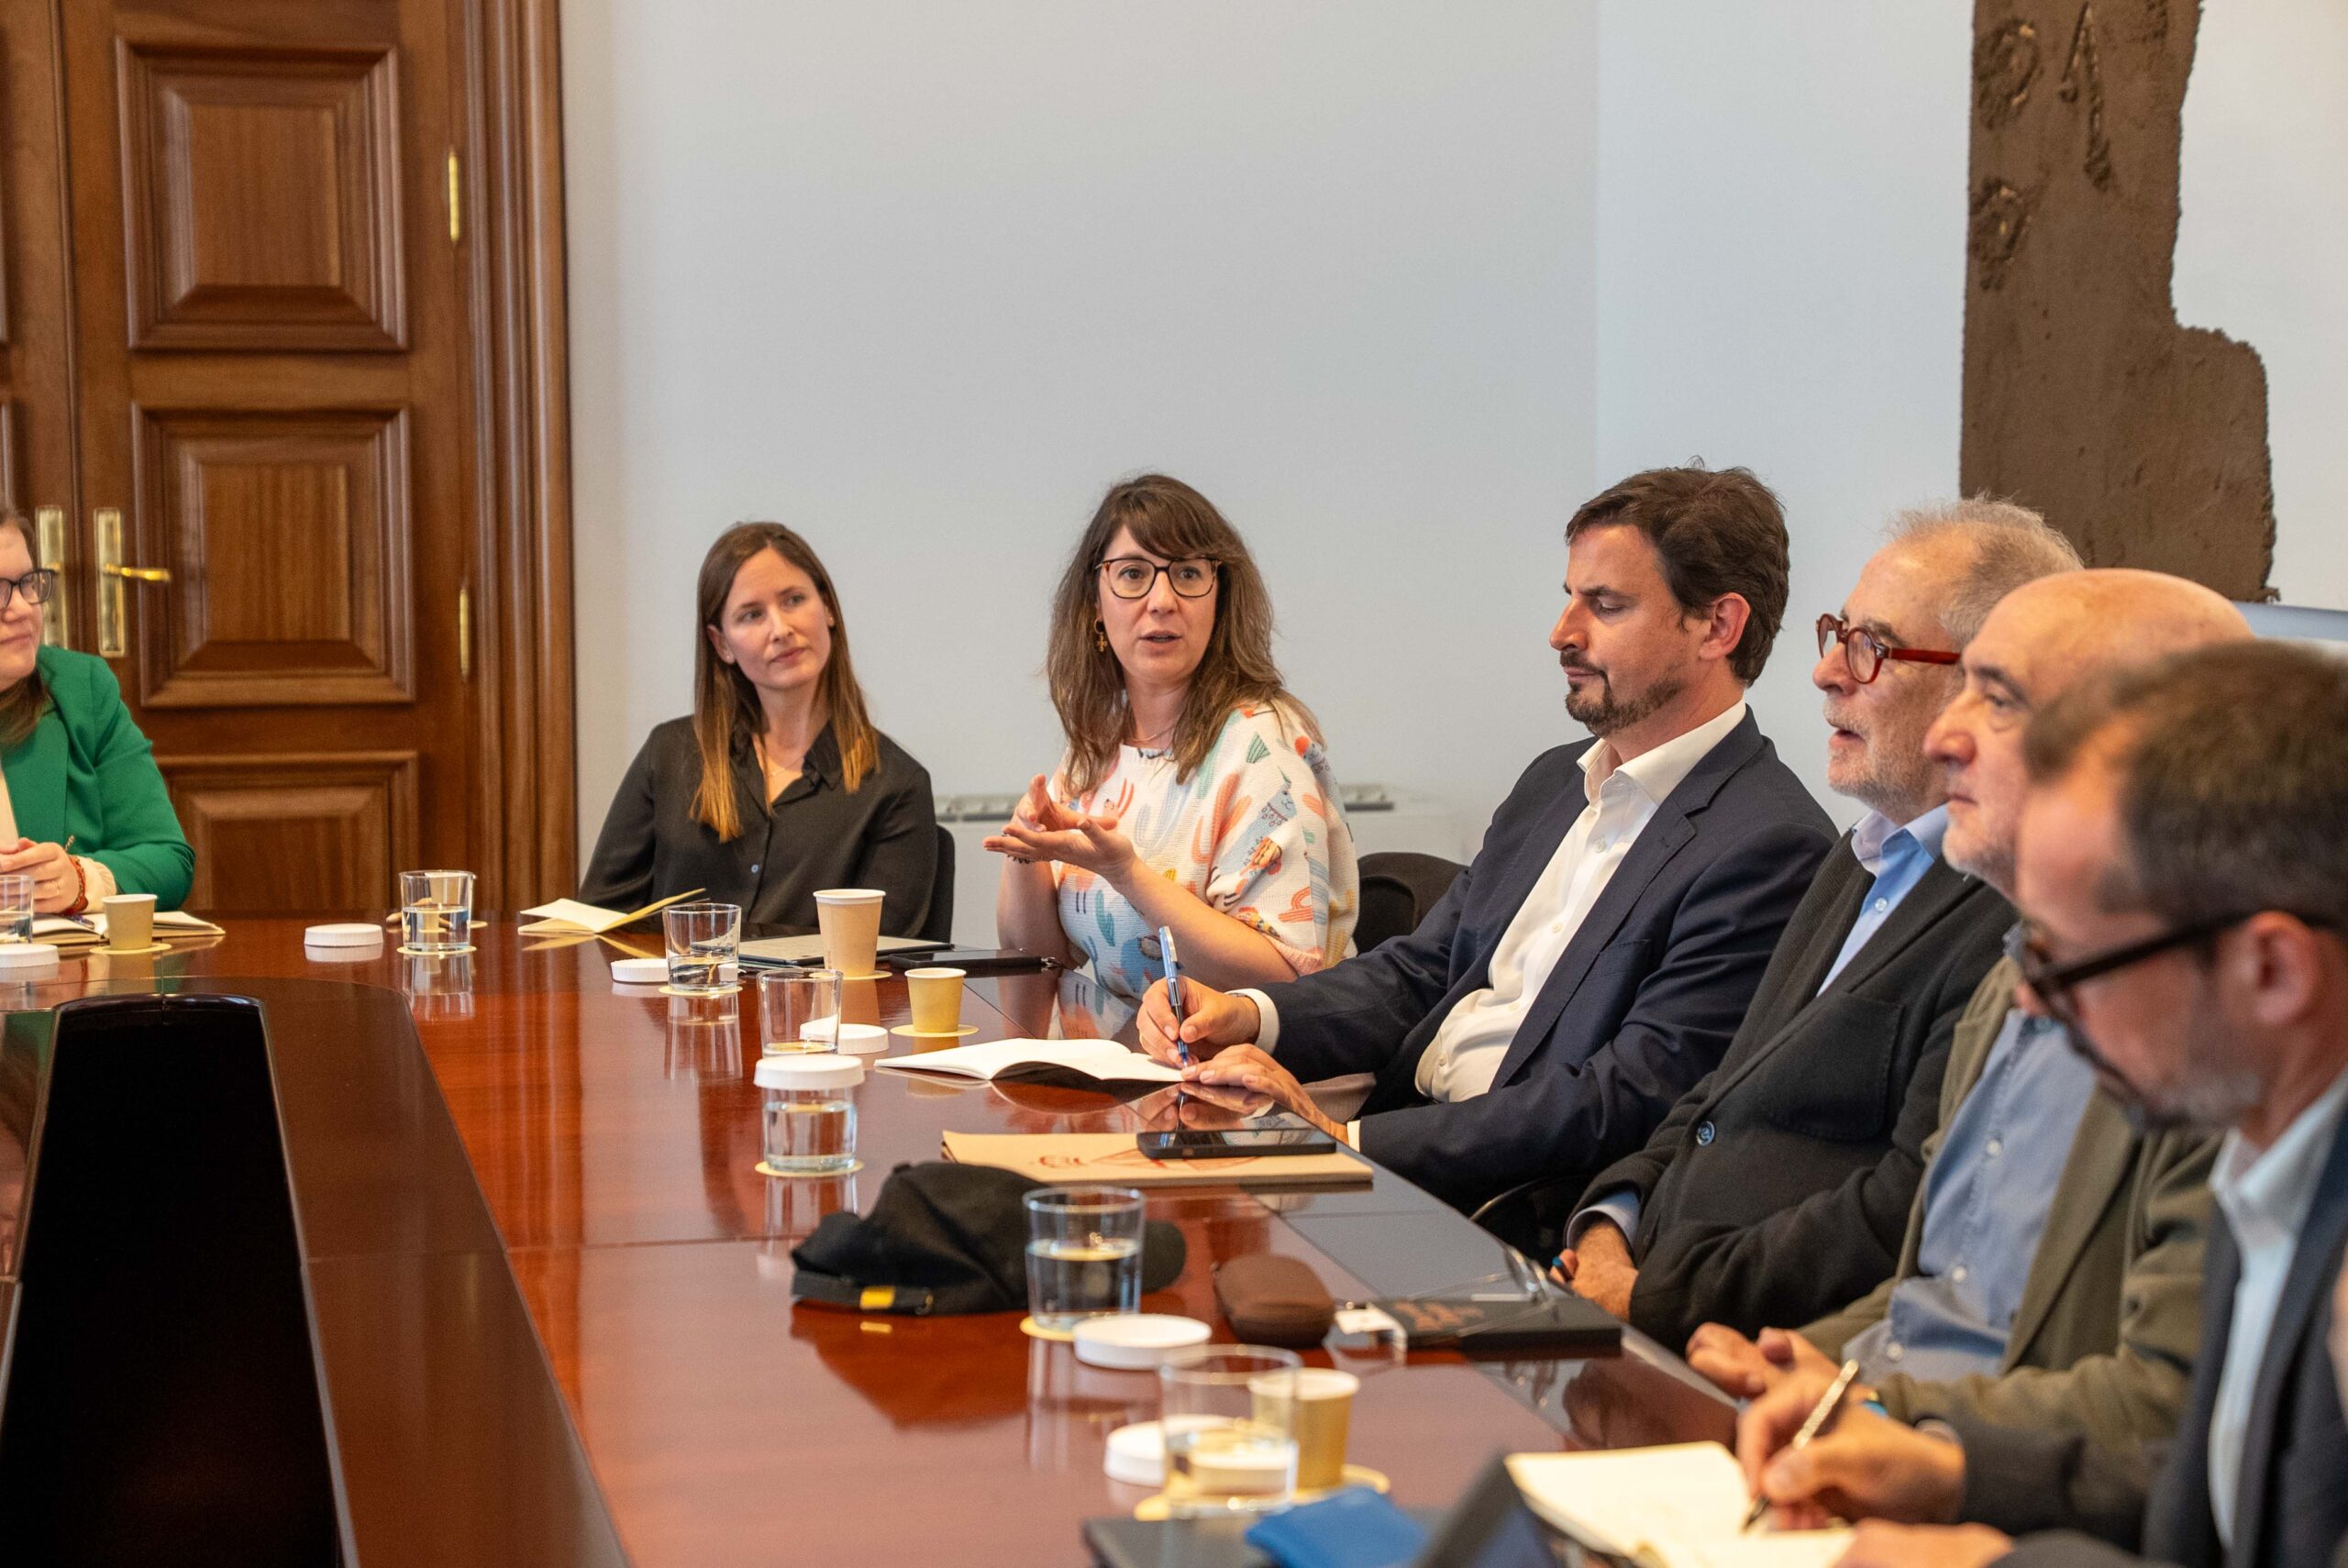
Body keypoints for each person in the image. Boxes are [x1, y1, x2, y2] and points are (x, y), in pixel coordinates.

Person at [1738, 639, 2348, 1568]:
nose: (2028, 1003)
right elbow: (2214, 1492)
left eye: (2069, 962)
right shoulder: (2270, 1150)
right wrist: (1953, 1472)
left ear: (2271, 971)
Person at [1135, 465, 1838, 1219]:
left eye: (1605, 605)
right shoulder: (1553, 782)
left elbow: (1622, 1101)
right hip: (1399, 1149)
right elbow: (1425, 970)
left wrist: (1346, 1139)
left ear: (1718, 627)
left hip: (1506, 1209)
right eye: (1570, 597)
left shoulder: (1770, 847)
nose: (1562, 632)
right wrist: (1249, 1015)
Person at [1690, 570, 2245, 1455]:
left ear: (2147, 748)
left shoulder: (2233, 1036)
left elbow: (2165, 1411)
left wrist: (1873, 1410)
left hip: (1982, 1491)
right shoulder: (2011, 976)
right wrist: (1804, 1365)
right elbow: (1939, 1292)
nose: (1946, 735)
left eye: (1998, 700)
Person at [1553, 503, 2072, 1342]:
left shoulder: (2010, 909)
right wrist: (1612, 1215)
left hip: (1751, 1342)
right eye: (1836, 634)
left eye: (1873, 648)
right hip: (1644, 1285)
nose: (1827, 672)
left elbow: (1901, 1208)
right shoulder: (1856, 855)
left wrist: (1651, 1293)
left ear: (1989, 688)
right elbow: (1724, 1088)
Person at [988, 475, 1357, 1003]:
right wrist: (1026, 848)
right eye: (1133, 574)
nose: (1162, 600)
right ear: (1095, 603)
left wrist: (1127, 875)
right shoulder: (1098, 745)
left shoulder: (1262, 746)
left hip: (1265, 1069)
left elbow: (1285, 977)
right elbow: (1041, 961)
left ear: (1219, 598)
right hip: (1135, 1061)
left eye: (1187, 573)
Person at [581, 523, 938, 934]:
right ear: (722, 644)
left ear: (828, 609)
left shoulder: (896, 785)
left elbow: (880, 964)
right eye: (752, 615)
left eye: (794, 600)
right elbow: (598, 924)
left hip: (814, 1001)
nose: (781, 630)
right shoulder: (669, 753)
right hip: (677, 998)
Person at [0, 512, 193, 911]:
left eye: (26, 584)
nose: (21, 608)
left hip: (59, 971)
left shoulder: (79, 688)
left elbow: (168, 860)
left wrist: (80, 879)